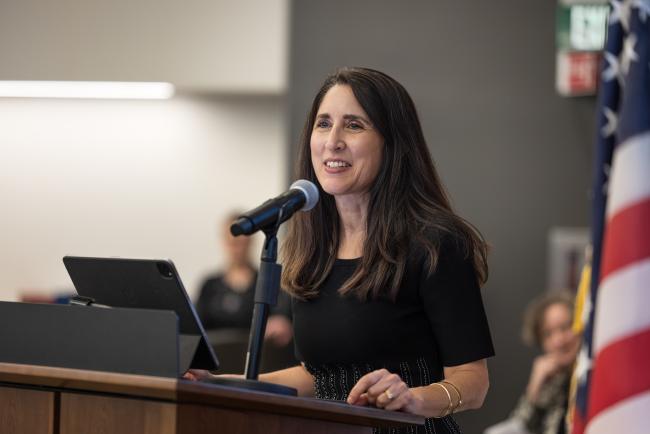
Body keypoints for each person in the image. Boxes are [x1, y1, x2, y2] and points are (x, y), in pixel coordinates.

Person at [188, 67, 495, 434]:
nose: (332, 141)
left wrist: (413, 399)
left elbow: (473, 381)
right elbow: (316, 377)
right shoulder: (309, 251)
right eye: (323, 124)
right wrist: (218, 383)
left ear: (392, 142)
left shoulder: (434, 244)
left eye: (353, 125)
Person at [195, 214, 293, 347]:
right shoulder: (209, 285)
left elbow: (281, 319)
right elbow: (196, 326)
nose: (237, 249)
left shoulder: (268, 282)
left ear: (250, 242)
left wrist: (280, 322)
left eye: (241, 243)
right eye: (232, 243)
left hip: (259, 361)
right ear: (224, 242)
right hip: (217, 360)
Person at [508, 291, 578, 434]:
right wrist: (534, 387)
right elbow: (516, 429)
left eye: (565, 327)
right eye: (548, 334)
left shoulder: (594, 377)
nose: (558, 341)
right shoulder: (551, 382)